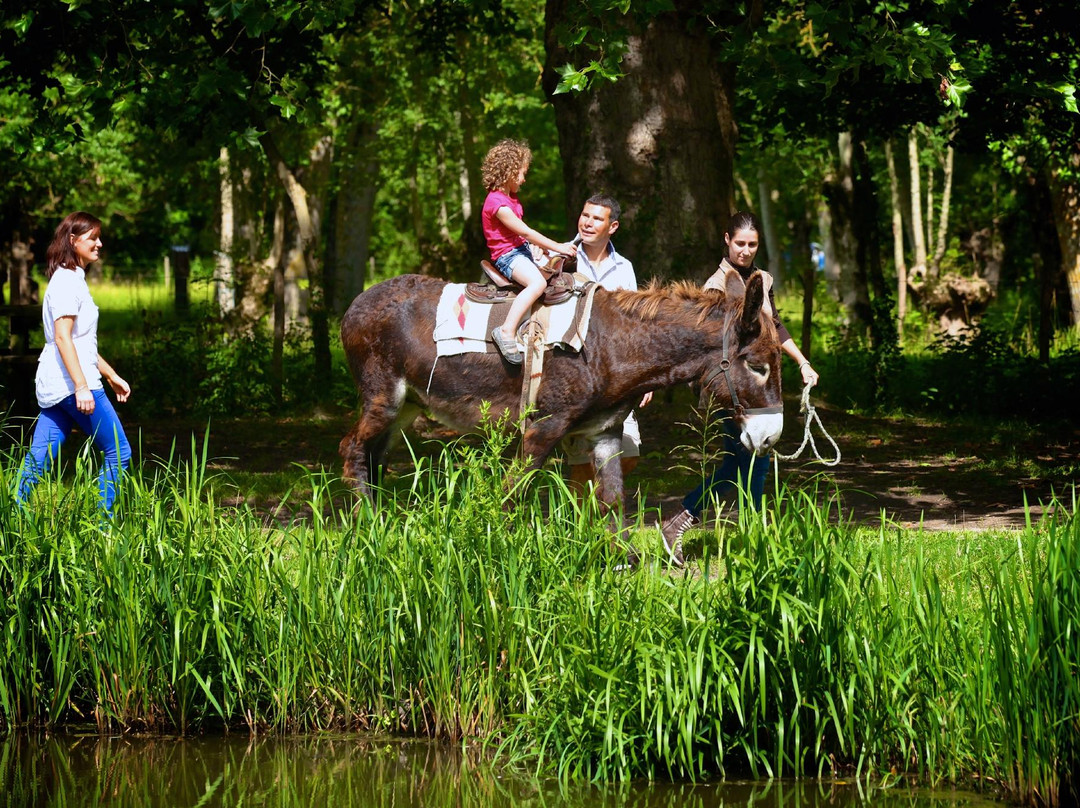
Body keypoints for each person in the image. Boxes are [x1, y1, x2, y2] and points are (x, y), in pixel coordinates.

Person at [659, 211, 819, 566]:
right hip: (734, 390)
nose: (746, 251)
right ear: (727, 240)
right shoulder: (715, 287)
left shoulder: (762, 279)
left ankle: (706, 527)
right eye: (740, 244)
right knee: (749, 463)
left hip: (759, 386)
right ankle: (750, 537)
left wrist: (802, 362)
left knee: (743, 462)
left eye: (752, 245)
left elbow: (774, 325)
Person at [15, 211, 132, 518]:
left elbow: (81, 344)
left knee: (39, 458)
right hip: (73, 385)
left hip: (58, 384)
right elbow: (63, 338)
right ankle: (101, 525)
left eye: (98, 237)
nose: (99, 243)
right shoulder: (67, 282)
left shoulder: (71, 279)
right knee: (119, 453)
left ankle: (11, 515)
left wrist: (111, 374)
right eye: (92, 237)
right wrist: (83, 386)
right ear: (73, 240)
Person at [564, 194, 652, 496]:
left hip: (617, 380)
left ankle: (593, 515)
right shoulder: (562, 258)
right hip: (574, 375)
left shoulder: (624, 267)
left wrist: (644, 377)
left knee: (628, 455)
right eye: (585, 215)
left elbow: (635, 324)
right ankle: (581, 531)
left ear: (612, 226)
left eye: (596, 218)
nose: (587, 222)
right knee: (581, 462)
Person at [481, 139, 576, 364]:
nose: (524, 179)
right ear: (510, 172)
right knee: (537, 284)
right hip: (508, 256)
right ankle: (506, 331)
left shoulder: (510, 199)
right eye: (522, 174)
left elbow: (523, 238)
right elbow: (526, 232)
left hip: (519, 249)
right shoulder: (498, 204)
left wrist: (547, 251)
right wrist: (557, 246)